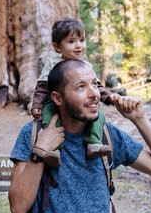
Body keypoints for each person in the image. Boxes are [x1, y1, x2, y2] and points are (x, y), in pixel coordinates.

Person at [9, 59, 151, 213]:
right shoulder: (34, 134)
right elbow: (18, 208)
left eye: (94, 84)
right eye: (81, 87)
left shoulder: (106, 135)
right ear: (57, 98)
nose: (95, 94)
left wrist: (140, 119)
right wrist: (40, 152)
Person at [31, 18, 120, 167]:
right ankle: (54, 150)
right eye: (71, 42)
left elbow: (96, 86)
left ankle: (93, 143)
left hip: (81, 104)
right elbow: (42, 86)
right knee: (49, 116)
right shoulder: (53, 64)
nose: (78, 45)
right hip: (54, 102)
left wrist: (109, 97)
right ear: (57, 47)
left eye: (82, 40)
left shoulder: (86, 66)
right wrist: (37, 104)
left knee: (99, 115)